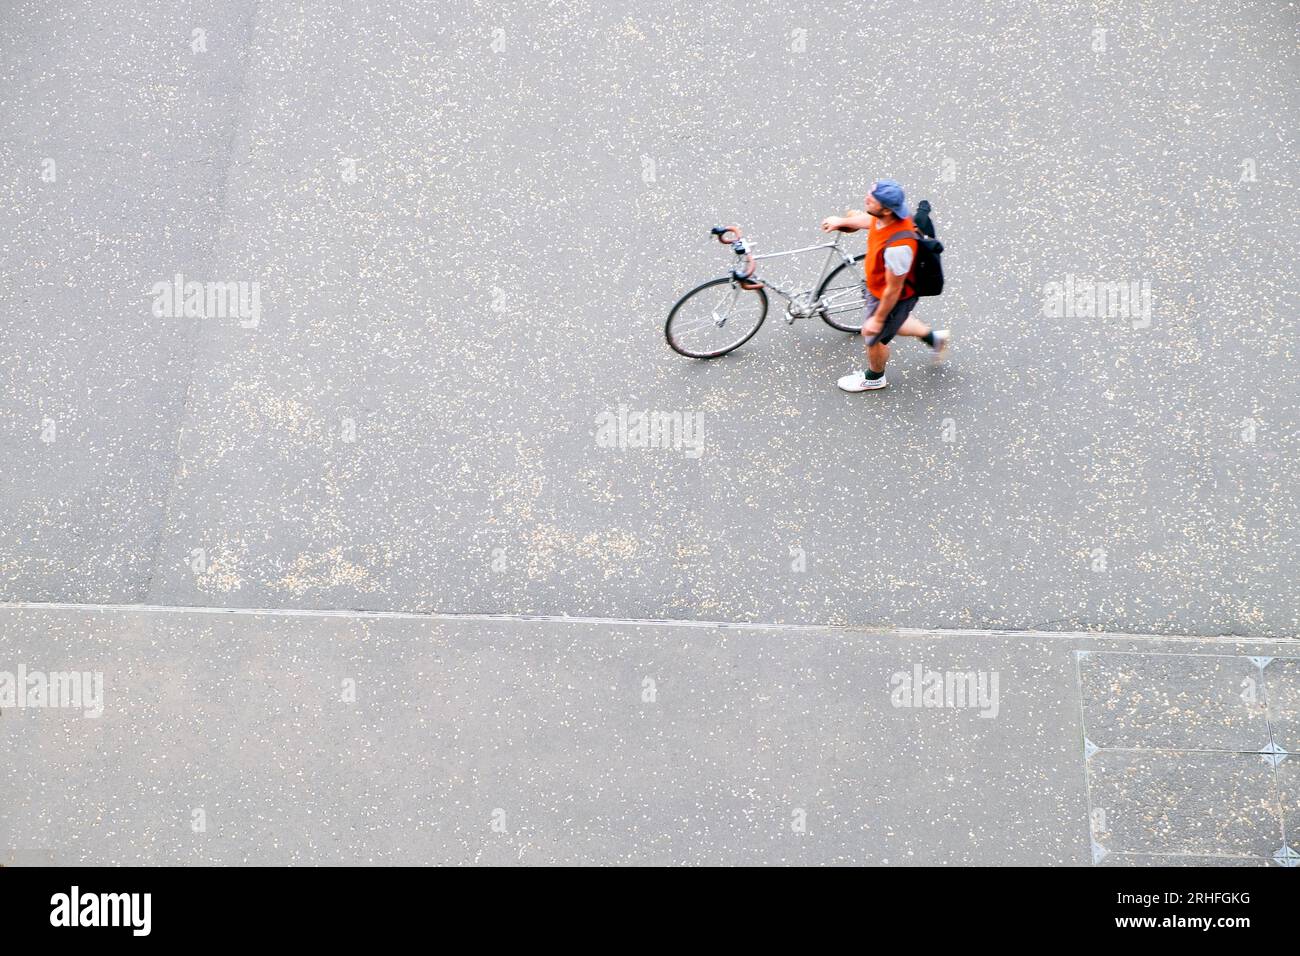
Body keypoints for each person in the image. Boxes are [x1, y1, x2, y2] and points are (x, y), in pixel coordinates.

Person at [820, 180, 949, 391]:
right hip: (878, 290)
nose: (867, 199)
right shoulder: (885, 218)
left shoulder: (899, 246)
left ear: (887, 209)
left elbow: (894, 289)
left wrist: (877, 320)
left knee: (872, 338)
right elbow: (868, 220)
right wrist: (841, 221)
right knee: (897, 323)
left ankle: (874, 378)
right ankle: (935, 339)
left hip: (891, 298)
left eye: (872, 199)